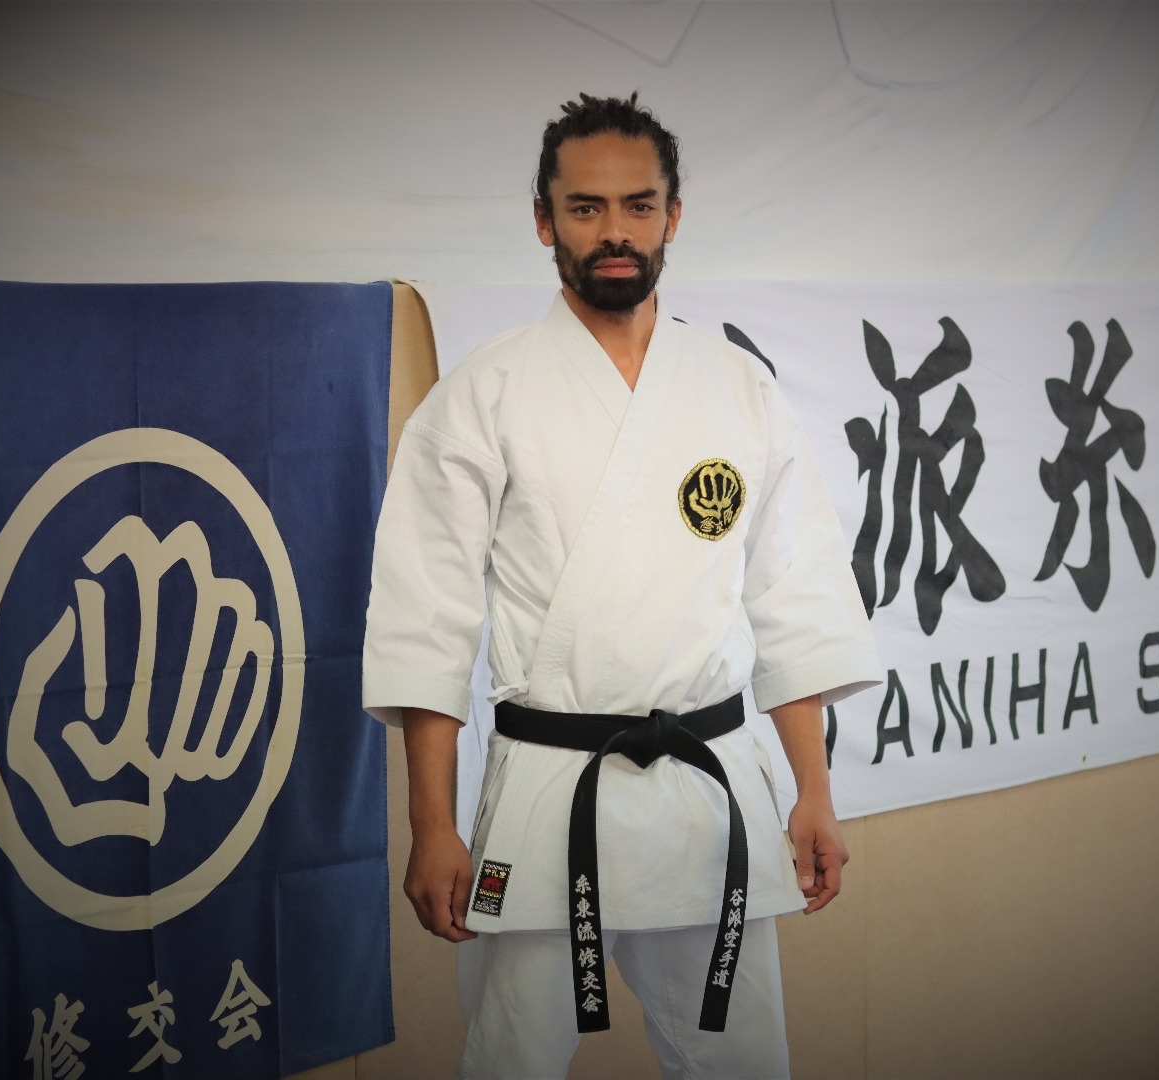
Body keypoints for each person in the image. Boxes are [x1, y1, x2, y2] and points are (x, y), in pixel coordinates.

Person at [362, 92, 880, 1080]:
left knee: (744, 1063)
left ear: (672, 216)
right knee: (511, 1063)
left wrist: (814, 789)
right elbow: (428, 619)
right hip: (549, 786)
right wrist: (433, 825)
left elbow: (794, 595)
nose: (615, 231)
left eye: (639, 206)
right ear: (544, 220)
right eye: (586, 207)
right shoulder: (484, 394)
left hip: (709, 788)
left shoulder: (737, 386)